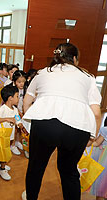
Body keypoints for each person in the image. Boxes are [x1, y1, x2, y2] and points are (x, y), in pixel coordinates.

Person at [22, 43, 102, 200]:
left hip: (45, 123)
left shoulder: (42, 73)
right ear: (74, 59)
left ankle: (31, 197)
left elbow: (27, 100)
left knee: (36, 168)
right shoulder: (88, 77)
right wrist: (92, 137)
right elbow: (97, 114)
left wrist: (30, 124)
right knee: (69, 170)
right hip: (77, 128)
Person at [0, 85, 27, 181]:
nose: (18, 99)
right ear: (10, 98)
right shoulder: (3, 108)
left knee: (5, 151)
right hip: (2, 136)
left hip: (10, 136)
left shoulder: (15, 109)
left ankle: (1, 164)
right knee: (4, 151)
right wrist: (7, 119)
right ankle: (2, 168)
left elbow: (17, 120)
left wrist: (21, 126)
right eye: (17, 96)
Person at [89, 117, 107, 200]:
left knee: (100, 188)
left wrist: (86, 142)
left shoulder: (105, 130)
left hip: (104, 163)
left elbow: (96, 143)